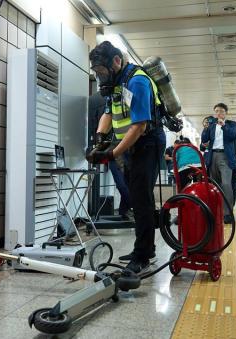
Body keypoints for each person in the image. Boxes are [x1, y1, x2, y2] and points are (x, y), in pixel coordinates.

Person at [87, 41, 165, 273]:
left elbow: (139, 125)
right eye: (96, 72)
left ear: (117, 62)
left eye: (102, 71)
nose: (100, 76)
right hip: (131, 145)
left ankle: (142, 256)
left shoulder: (137, 81)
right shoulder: (115, 83)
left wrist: (112, 153)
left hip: (147, 142)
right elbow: (108, 113)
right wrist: (100, 138)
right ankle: (145, 247)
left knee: (141, 199)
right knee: (135, 196)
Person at [201, 103, 236, 223]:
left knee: (226, 184)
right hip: (213, 156)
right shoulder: (211, 126)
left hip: (226, 157)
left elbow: (234, 135)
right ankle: (216, 210)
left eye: (221, 111)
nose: (219, 113)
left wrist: (224, 126)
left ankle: (228, 213)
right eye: (216, 111)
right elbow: (204, 139)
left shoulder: (232, 124)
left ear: (226, 113)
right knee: (215, 185)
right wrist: (206, 128)